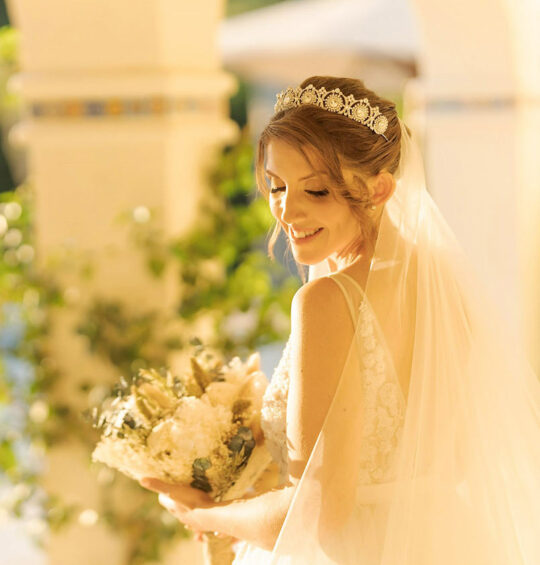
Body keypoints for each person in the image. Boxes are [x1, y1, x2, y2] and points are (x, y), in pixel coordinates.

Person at [140, 76, 540, 564]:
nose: (288, 210)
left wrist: (208, 515)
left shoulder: (328, 301)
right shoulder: (445, 287)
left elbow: (321, 513)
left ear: (380, 189)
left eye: (317, 190)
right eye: (277, 185)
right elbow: (452, 459)